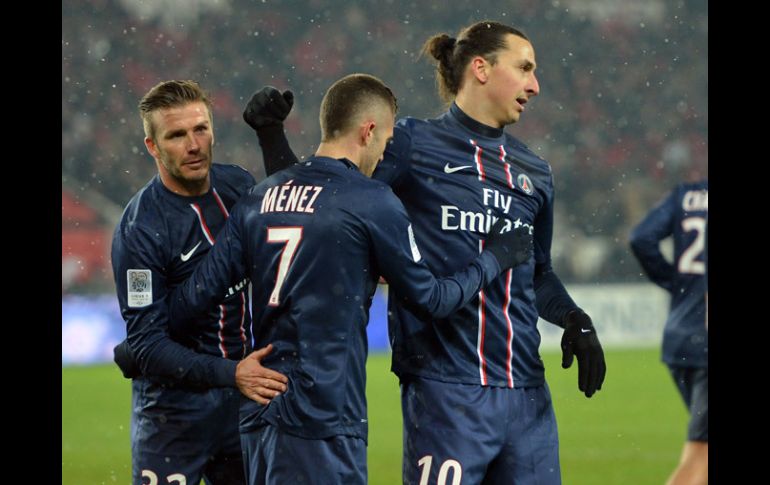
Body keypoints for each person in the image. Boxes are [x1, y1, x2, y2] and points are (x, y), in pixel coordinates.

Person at [250, 20, 607, 484]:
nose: (534, 85)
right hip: (444, 391)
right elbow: (321, 207)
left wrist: (575, 319)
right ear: (481, 68)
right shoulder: (411, 144)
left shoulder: (534, 172)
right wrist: (272, 138)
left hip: (526, 394)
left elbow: (537, 273)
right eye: (524, 68)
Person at [168, 73, 534, 485]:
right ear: (368, 131)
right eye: (386, 139)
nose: (383, 153)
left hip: (260, 417)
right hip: (323, 415)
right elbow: (431, 299)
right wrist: (495, 258)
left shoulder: (260, 197)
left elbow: (189, 302)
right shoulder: (371, 201)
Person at [111, 79, 290, 485]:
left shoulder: (238, 187)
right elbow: (148, 346)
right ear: (152, 147)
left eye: (201, 129)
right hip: (173, 414)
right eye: (176, 135)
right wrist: (232, 373)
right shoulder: (139, 230)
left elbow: (295, 219)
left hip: (245, 403)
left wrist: (271, 136)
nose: (194, 145)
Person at [630, 180, 708, 485]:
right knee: (700, 457)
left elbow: (641, 238)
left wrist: (677, 284)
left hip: (682, 337)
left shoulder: (686, 195)